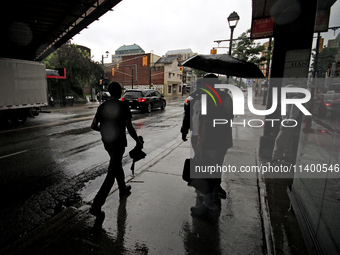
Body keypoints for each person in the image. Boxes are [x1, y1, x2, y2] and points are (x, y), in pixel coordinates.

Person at [181, 74, 233, 217]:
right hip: (223, 140)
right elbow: (230, 118)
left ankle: (207, 204)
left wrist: (201, 144)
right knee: (216, 167)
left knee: (205, 170)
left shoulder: (208, 99)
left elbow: (206, 122)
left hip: (209, 141)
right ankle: (215, 194)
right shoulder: (226, 97)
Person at [89, 81, 143, 219]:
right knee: (111, 173)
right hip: (118, 143)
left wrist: (104, 130)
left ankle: (123, 189)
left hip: (107, 143)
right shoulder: (123, 106)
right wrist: (137, 140)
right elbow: (129, 127)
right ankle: (96, 205)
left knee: (116, 165)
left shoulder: (102, 107)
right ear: (118, 92)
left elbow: (93, 125)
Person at [270, 84, 303, 165]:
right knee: (288, 140)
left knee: (279, 140)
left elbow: (294, 113)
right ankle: (288, 156)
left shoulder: (295, 99)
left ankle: (276, 157)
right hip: (286, 122)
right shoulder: (290, 98)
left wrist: (287, 122)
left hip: (289, 124)